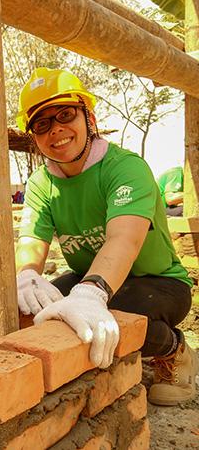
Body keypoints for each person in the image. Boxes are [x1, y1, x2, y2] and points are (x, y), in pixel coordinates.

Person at [14, 68, 197, 406]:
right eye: (42, 124)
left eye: (66, 114)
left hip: (159, 284)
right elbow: (31, 241)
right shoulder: (41, 183)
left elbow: (122, 240)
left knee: (102, 311)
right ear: (34, 137)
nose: (56, 129)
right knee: (30, 309)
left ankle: (176, 350)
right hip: (91, 278)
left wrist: (90, 293)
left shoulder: (125, 168)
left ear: (89, 117)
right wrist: (26, 277)